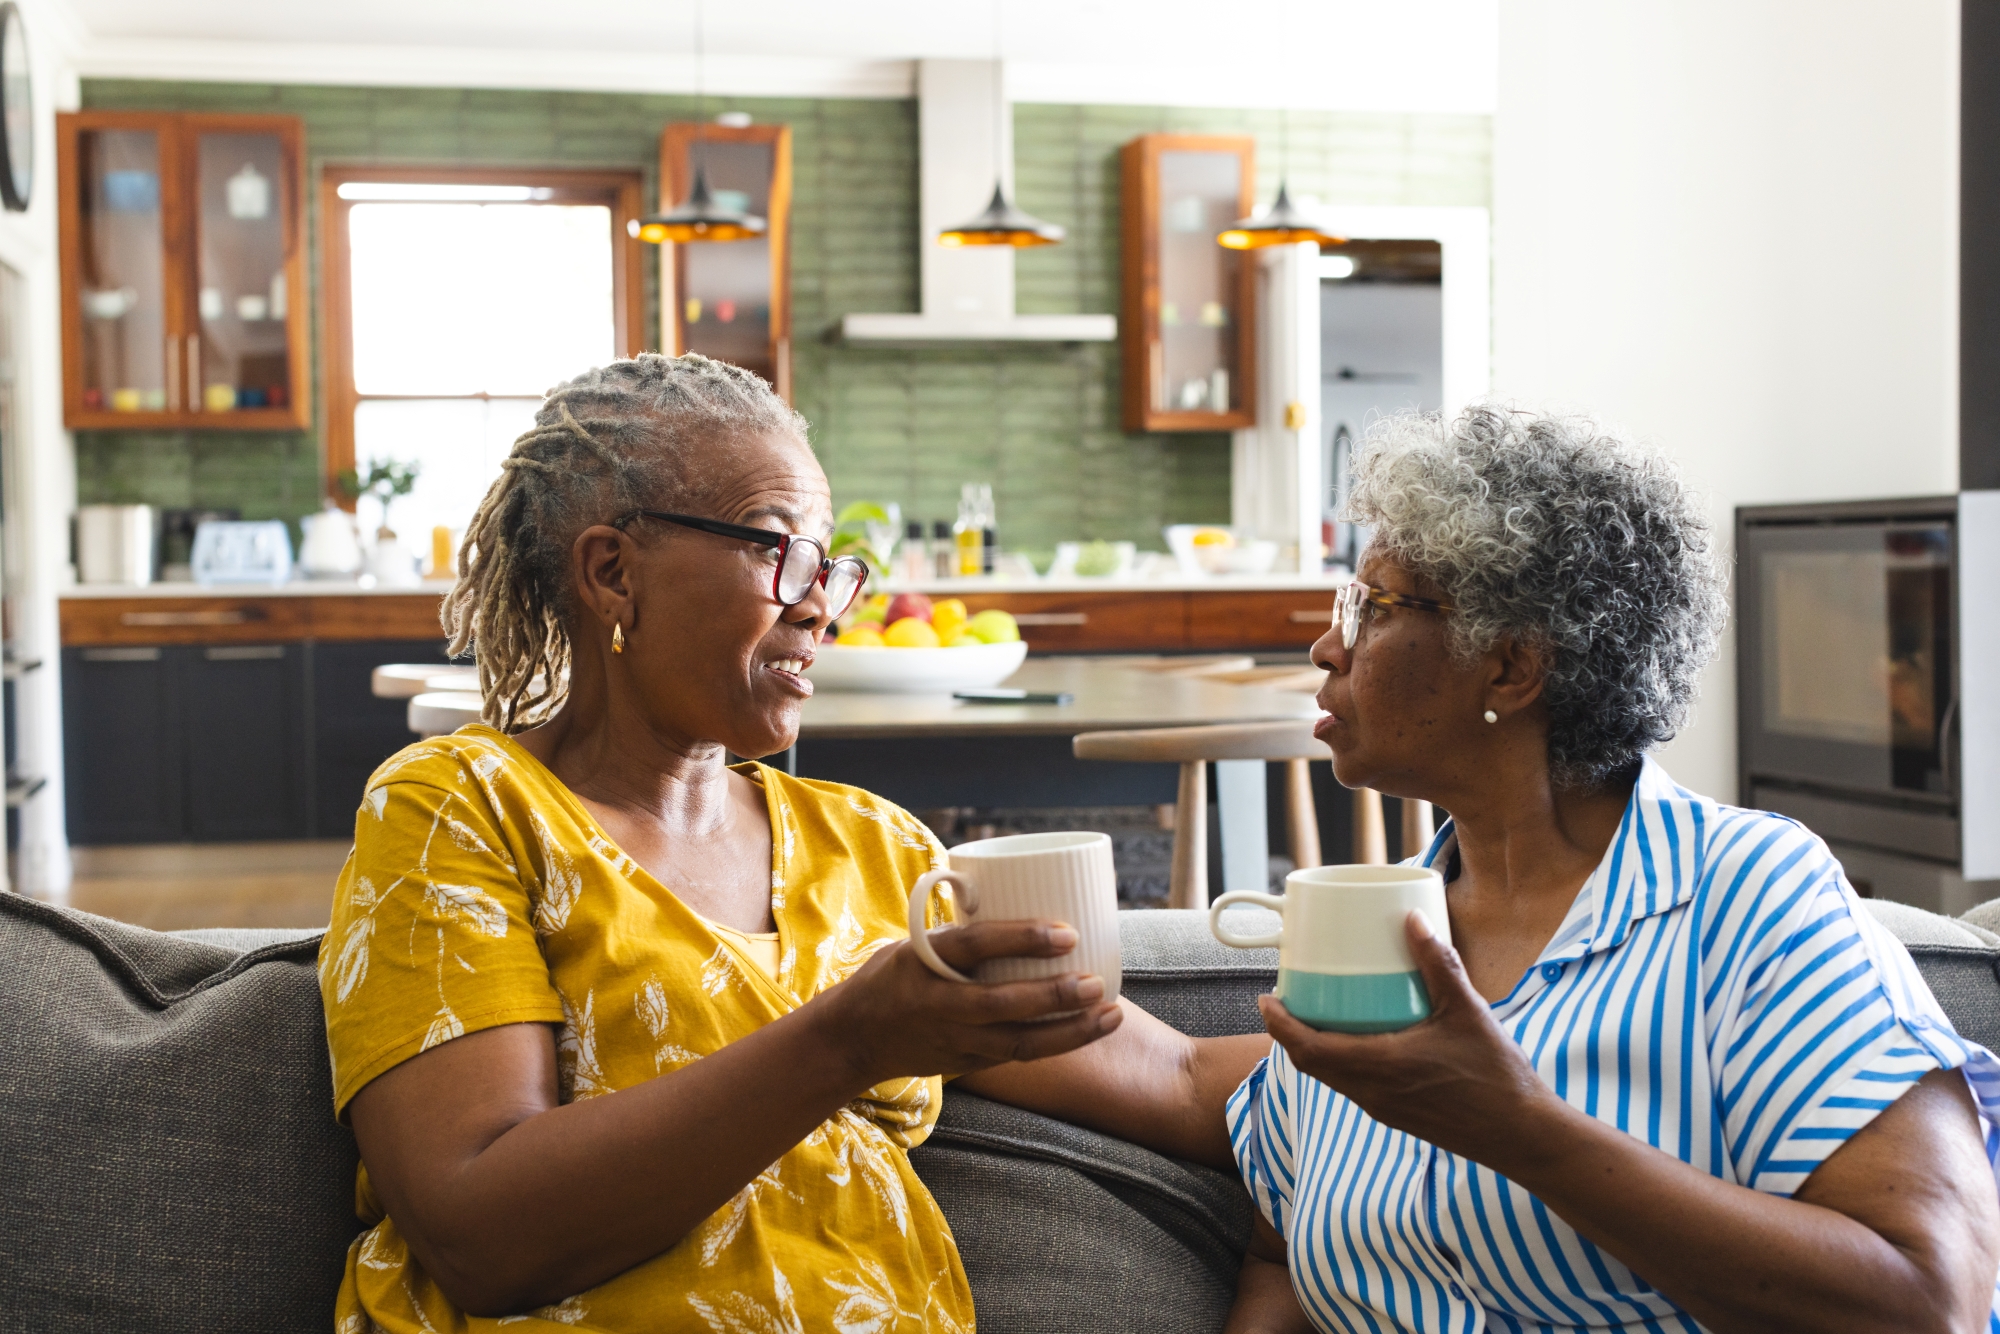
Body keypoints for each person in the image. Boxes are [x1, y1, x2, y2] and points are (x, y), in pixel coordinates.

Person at [318, 352, 1266, 1333]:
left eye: (829, 564)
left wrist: (1413, 1051)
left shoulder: (873, 847)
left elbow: (1181, 1079)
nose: (821, 603)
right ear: (610, 571)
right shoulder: (460, 808)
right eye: (778, 550)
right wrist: (850, 1038)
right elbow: (479, 1233)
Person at [1222, 405, 2000, 1334]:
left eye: (1375, 607)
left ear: (1511, 667)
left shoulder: (1746, 892)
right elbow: (1279, 1245)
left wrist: (1520, 1129)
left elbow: (1930, 1302)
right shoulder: (1370, 922)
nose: (1329, 646)